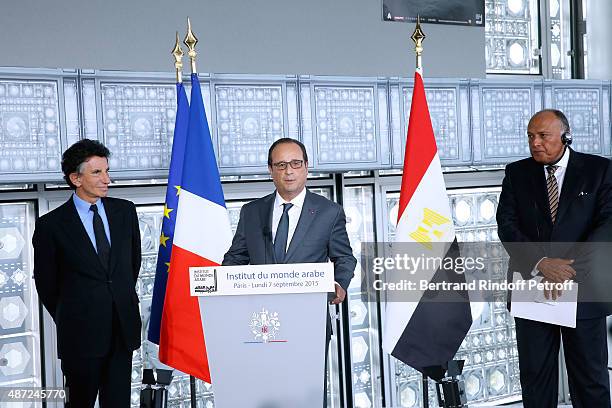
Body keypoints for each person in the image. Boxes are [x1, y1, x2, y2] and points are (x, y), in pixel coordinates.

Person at [222, 137, 356, 406]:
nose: (289, 171)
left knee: (306, 397)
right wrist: (220, 287)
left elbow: (345, 258)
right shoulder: (251, 212)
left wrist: (340, 285)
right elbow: (235, 259)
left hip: (310, 322)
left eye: (295, 163)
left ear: (306, 166)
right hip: (259, 325)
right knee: (265, 394)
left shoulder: (329, 212)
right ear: (270, 170)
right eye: (281, 165)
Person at [496, 109, 612, 407]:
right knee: (536, 378)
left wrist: (565, 270)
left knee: (590, 377)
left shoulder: (599, 170)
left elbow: (607, 225)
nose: (535, 143)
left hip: (584, 287)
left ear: (565, 136)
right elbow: (507, 226)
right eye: (530, 136)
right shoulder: (517, 173)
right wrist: (542, 264)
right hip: (532, 286)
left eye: (543, 136)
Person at [32, 139, 142, 407]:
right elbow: (47, 285)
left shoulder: (125, 211)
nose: (107, 179)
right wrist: (74, 314)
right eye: (97, 172)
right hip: (80, 336)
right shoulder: (51, 226)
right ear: (75, 178)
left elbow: (131, 265)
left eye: (107, 171)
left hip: (122, 330)